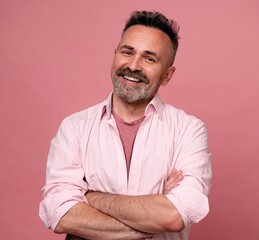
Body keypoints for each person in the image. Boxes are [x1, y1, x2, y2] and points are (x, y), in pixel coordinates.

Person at [39, 10, 212, 240]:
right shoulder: (74, 128)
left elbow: (175, 215)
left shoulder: (189, 131)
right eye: (127, 52)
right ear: (115, 56)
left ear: (167, 75)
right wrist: (154, 212)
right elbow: (60, 214)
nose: (133, 65)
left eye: (149, 58)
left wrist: (91, 197)